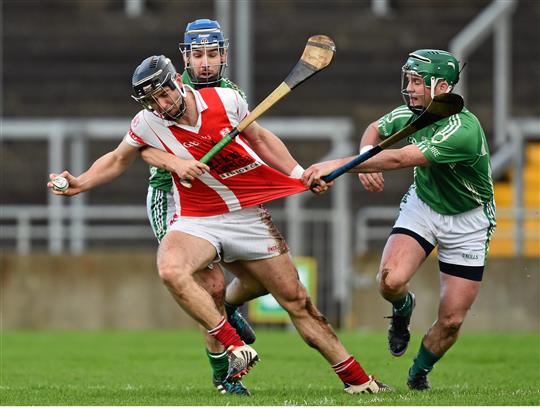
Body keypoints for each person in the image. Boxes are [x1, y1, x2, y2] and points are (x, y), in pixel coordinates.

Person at [50, 53, 391, 395]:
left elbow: (260, 138)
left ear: (179, 82)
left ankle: (359, 381)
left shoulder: (226, 100)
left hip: (246, 214)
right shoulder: (146, 123)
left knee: (297, 301)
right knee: (172, 270)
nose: (163, 104)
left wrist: (299, 174)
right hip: (197, 218)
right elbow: (120, 157)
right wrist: (80, 182)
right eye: (153, 100)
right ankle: (234, 346)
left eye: (165, 94)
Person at [303, 49, 496, 391]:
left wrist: (337, 166)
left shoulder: (461, 130)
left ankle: (418, 372)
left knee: (451, 321)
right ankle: (402, 310)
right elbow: (375, 130)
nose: (409, 88)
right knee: (389, 281)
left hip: (468, 221)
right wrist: (365, 158)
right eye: (408, 79)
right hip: (423, 206)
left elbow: (398, 159)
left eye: (417, 82)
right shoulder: (413, 112)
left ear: (441, 87)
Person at [142, 18, 256, 396]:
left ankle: (231, 314)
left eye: (212, 54)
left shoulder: (231, 93)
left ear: (223, 54)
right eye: (197, 55)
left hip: (219, 196)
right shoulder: (167, 91)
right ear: (184, 58)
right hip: (173, 196)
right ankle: (224, 374)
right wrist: (176, 163)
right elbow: (141, 146)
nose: (205, 63)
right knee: (211, 285)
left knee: (257, 277)